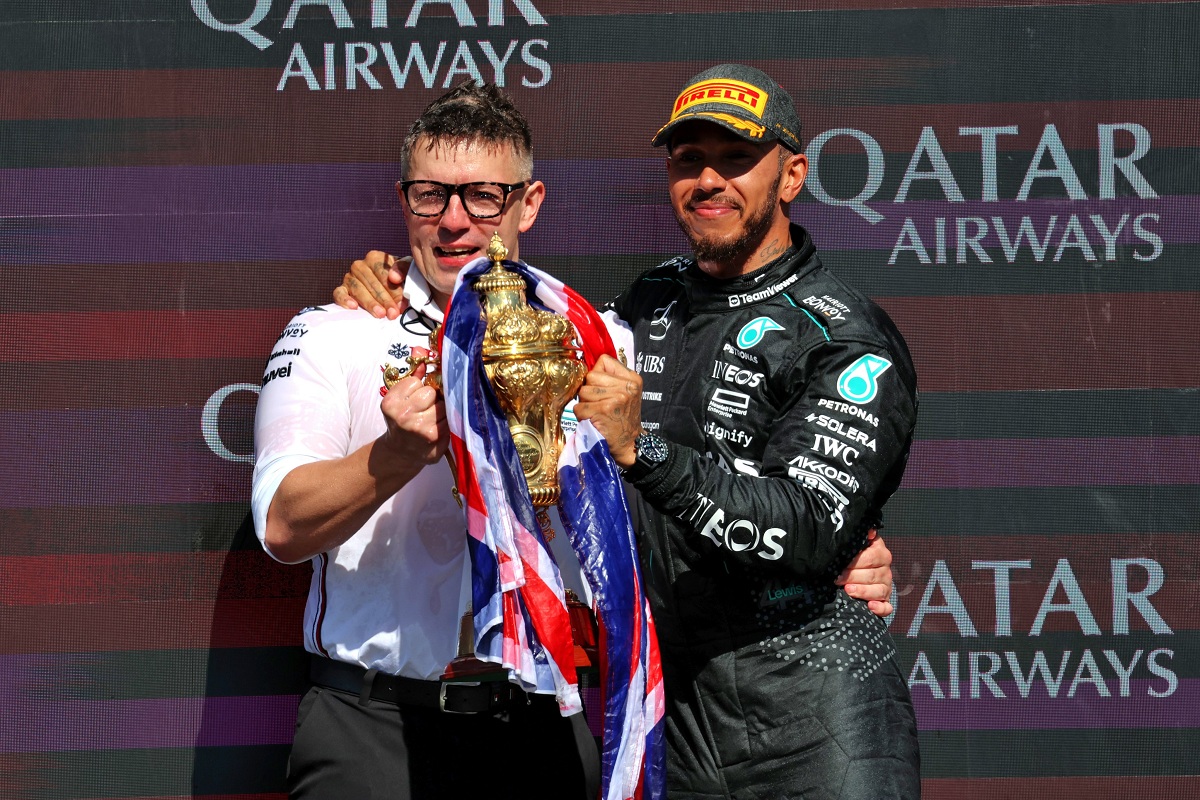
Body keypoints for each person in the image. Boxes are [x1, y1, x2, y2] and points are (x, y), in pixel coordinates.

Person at [331, 70, 915, 799]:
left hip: (812, 719)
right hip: (666, 722)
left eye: (735, 158)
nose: (707, 179)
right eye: (686, 159)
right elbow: (510, 350)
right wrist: (391, 284)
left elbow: (805, 531)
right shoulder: (642, 306)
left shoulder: (845, 336)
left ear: (792, 174)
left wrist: (645, 451)